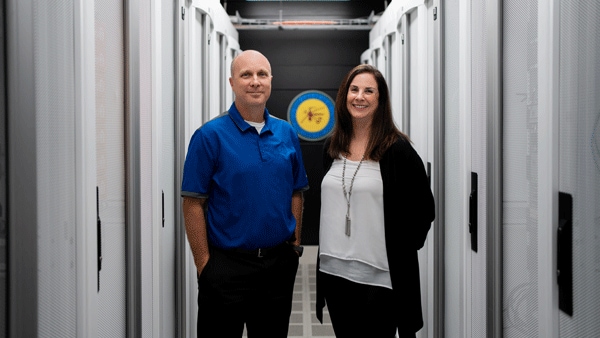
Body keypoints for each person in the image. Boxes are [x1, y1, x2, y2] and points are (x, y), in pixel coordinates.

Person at [181, 49, 309, 338]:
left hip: (278, 266)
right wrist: (205, 265)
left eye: (261, 74)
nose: (255, 81)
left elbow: (297, 192)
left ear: (271, 81)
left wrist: (295, 247)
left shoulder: (286, 133)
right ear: (232, 82)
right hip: (226, 268)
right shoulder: (209, 136)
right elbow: (192, 203)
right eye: (246, 75)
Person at [315, 64, 435, 338]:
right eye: (354, 89)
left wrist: (400, 249)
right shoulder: (332, 147)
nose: (360, 96)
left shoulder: (398, 150)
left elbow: (424, 209)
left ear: (380, 101)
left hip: (379, 279)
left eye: (369, 91)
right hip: (334, 273)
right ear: (344, 96)